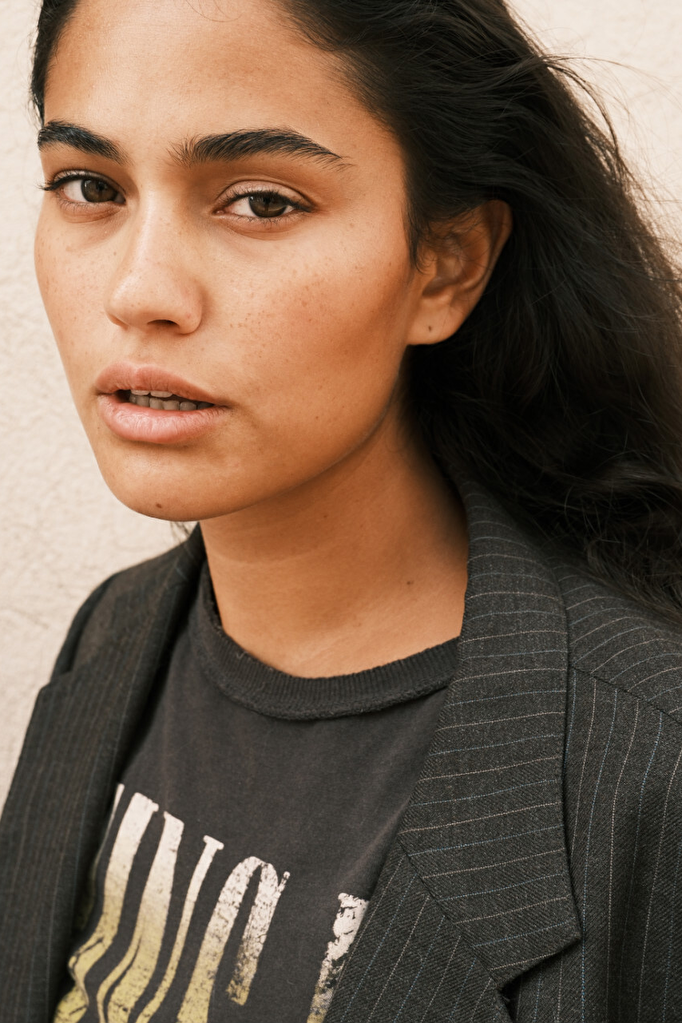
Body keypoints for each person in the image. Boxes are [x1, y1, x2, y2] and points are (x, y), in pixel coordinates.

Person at [2, 0, 682, 1019]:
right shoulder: (112, 632)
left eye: (260, 202)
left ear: (445, 264)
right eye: (90, 187)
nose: (139, 292)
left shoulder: (649, 767)